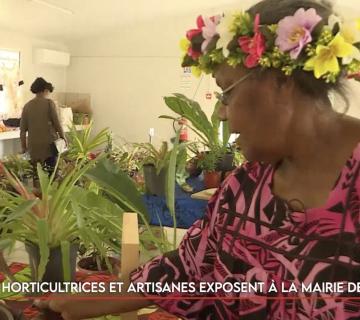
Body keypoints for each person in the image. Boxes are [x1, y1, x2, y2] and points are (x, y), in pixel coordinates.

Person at [37, 0, 360, 319]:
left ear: (282, 81)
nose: (221, 112)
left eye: (226, 92)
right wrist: (97, 294)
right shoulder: (245, 186)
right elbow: (190, 268)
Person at [20, 77, 65, 171]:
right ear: (45, 90)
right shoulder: (49, 103)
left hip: (33, 149)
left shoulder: (27, 106)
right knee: (50, 174)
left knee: (36, 176)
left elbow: (23, 131)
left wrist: (24, 148)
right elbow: (57, 124)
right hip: (49, 148)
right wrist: (63, 138)